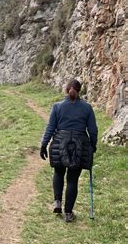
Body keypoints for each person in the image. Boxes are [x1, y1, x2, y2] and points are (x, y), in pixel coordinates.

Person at [39, 79, 98, 222]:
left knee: (59, 172)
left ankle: (57, 202)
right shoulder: (87, 108)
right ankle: (68, 213)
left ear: (67, 90)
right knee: (72, 179)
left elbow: (50, 128)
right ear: (79, 91)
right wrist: (92, 145)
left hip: (60, 142)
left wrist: (43, 145)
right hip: (79, 145)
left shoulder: (57, 107)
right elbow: (93, 130)